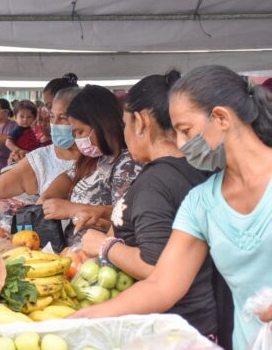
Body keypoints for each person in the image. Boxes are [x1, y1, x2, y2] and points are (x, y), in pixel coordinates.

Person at [68, 65, 272, 350]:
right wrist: (79, 320)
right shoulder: (202, 201)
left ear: (222, 118)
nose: (180, 144)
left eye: (186, 131)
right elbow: (162, 284)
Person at [77, 71, 218, 337]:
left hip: (172, 329)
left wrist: (104, 246)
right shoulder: (197, 170)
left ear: (140, 121)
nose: (125, 134)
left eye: (125, 124)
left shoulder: (157, 183)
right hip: (203, 322)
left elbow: (157, 269)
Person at [40, 85, 142, 245]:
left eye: (80, 132)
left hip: (101, 256)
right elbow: (67, 177)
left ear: (101, 124)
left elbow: (125, 222)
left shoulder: (127, 165)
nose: (78, 140)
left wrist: (72, 209)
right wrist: (46, 199)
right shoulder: (95, 158)